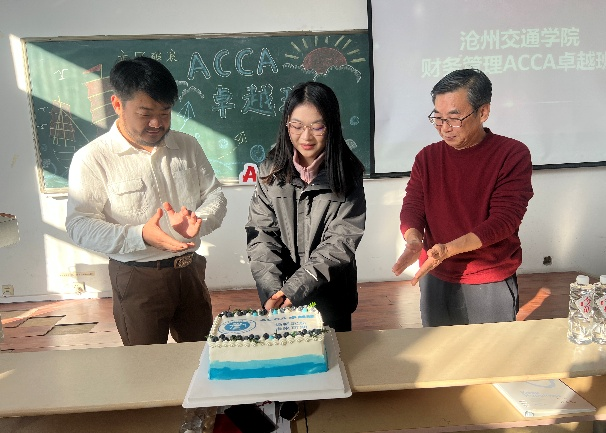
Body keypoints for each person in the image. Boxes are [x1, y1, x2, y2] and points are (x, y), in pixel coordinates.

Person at [66, 57, 227, 345]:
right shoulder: (92, 158)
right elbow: (79, 225)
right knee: (145, 363)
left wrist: (198, 222)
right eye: (145, 113)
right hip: (137, 278)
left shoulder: (187, 145)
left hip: (189, 270)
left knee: (202, 354)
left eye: (165, 113)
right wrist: (140, 235)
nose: (157, 123)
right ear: (117, 105)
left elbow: (214, 194)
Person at [392, 69, 534, 327]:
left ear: (483, 112)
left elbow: (504, 220)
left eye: (454, 118)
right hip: (435, 272)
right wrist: (413, 240)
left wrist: (448, 249)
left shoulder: (511, 154)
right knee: (438, 347)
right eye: (438, 118)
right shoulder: (427, 157)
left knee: (490, 350)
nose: (445, 128)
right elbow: (413, 205)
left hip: (488, 277)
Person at [245, 82, 366, 332]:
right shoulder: (270, 171)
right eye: (297, 126)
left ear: (331, 125)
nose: (306, 137)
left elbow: (341, 241)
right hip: (280, 299)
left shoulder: (348, 173)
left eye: (317, 127)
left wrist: (295, 288)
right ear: (286, 125)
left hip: (331, 298)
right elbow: (261, 234)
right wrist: (274, 290)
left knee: (334, 354)